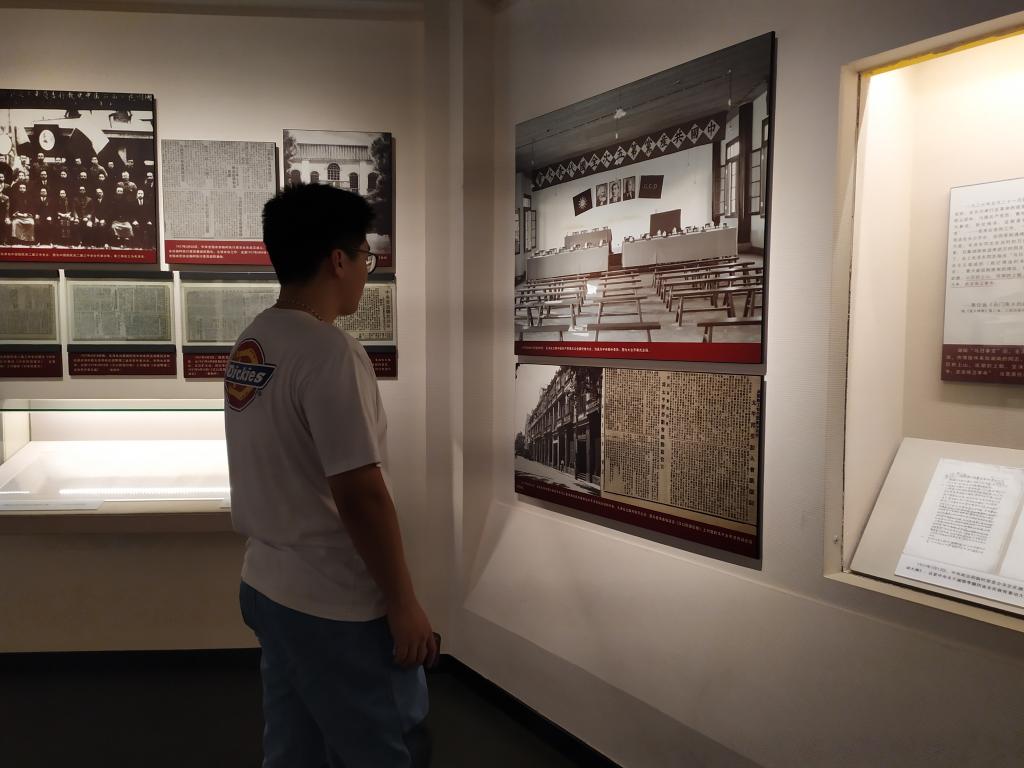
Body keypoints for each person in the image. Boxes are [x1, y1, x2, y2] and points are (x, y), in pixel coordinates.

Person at [225, 182, 435, 768]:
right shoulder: (330, 352)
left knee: (295, 746)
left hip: (267, 584)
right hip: (333, 603)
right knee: (385, 745)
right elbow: (360, 494)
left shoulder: (254, 338)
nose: (367, 271)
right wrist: (403, 603)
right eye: (366, 256)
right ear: (338, 260)